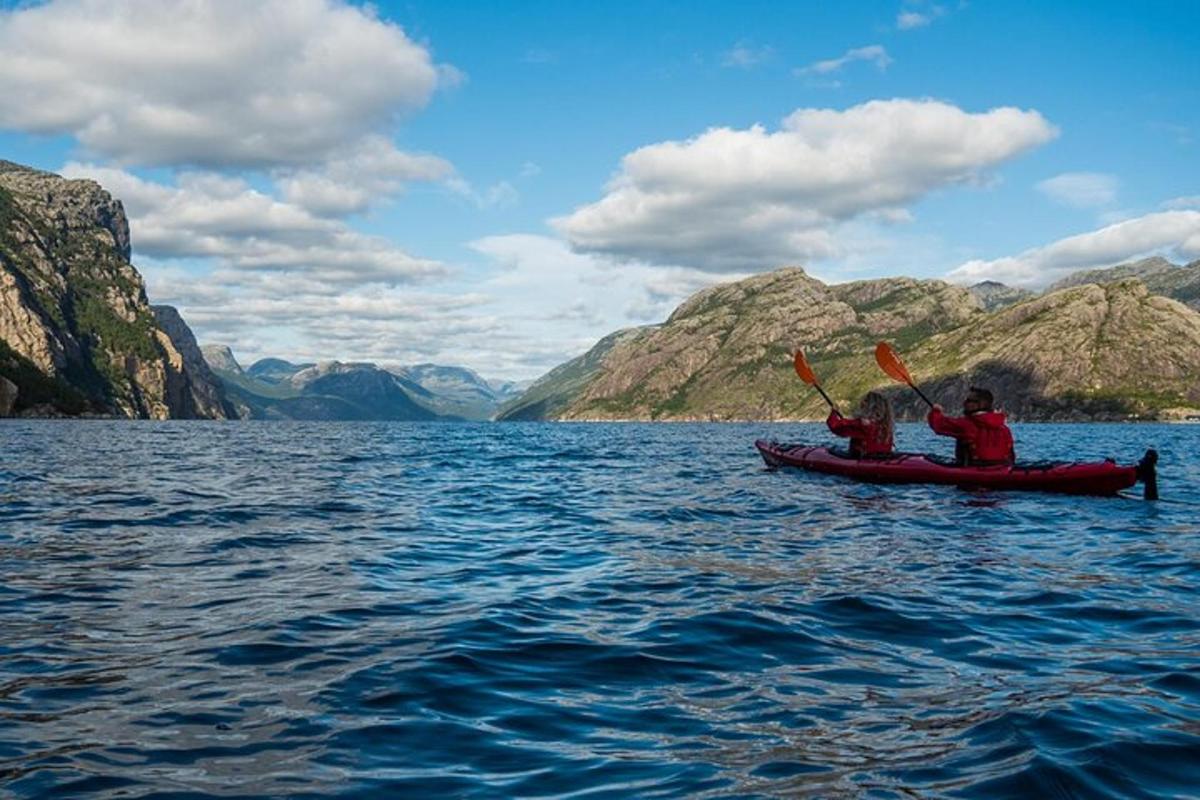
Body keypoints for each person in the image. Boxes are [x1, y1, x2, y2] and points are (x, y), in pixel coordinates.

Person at [927, 386, 1015, 465]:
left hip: (971, 471)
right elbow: (1012, 457)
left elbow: (938, 425)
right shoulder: (1005, 429)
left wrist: (936, 412)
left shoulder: (966, 425)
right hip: (1002, 469)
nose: (964, 403)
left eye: (969, 401)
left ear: (980, 404)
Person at [827, 391, 894, 457]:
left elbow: (834, 426)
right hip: (883, 458)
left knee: (833, 450)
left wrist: (834, 412)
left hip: (864, 458)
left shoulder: (862, 424)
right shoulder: (887, 426)